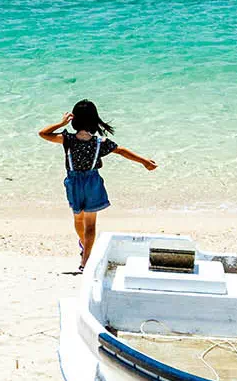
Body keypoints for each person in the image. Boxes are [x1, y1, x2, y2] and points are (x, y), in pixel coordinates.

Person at [38, 99, 156, 268]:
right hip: (91, 183)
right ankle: (86, 251)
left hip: (74, 182)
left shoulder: (68, 139)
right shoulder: (97, 142)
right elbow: (121, 151)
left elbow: (43, 133)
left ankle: (85, 255)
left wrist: (61, 123)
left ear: (75, 119)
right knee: (86, 223)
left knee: (81, 221)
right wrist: (144, 161)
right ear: (95, 120)